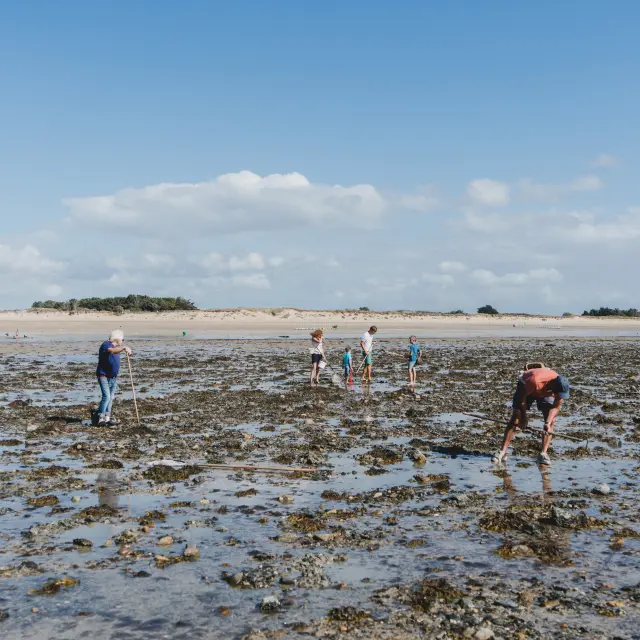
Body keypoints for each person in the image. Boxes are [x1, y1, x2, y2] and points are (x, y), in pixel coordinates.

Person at [493, 365, 570, 466]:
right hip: (526, 386)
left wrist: (547, 422)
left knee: (551, 421)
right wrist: (524, 418)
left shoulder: (560, 388)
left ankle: (543, 454)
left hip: (544, 391)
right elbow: (522, 400)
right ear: (553, 386)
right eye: (557, 393)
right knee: (516, 417)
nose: (558, 395)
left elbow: (555, 407)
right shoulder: (535, 381)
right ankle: (502, 452)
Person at [96, 330, 132, 426]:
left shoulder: (115, 347)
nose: (123, 341)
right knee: (106, 396)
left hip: (113, 377)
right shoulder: (106, 344)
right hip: (103, 375)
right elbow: (112, 351)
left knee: (111, 397)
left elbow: (115, 352)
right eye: (122, 339)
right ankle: (100, 418)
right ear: (117, 339)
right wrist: (124, 348)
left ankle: (107, 418)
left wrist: (124, 350)